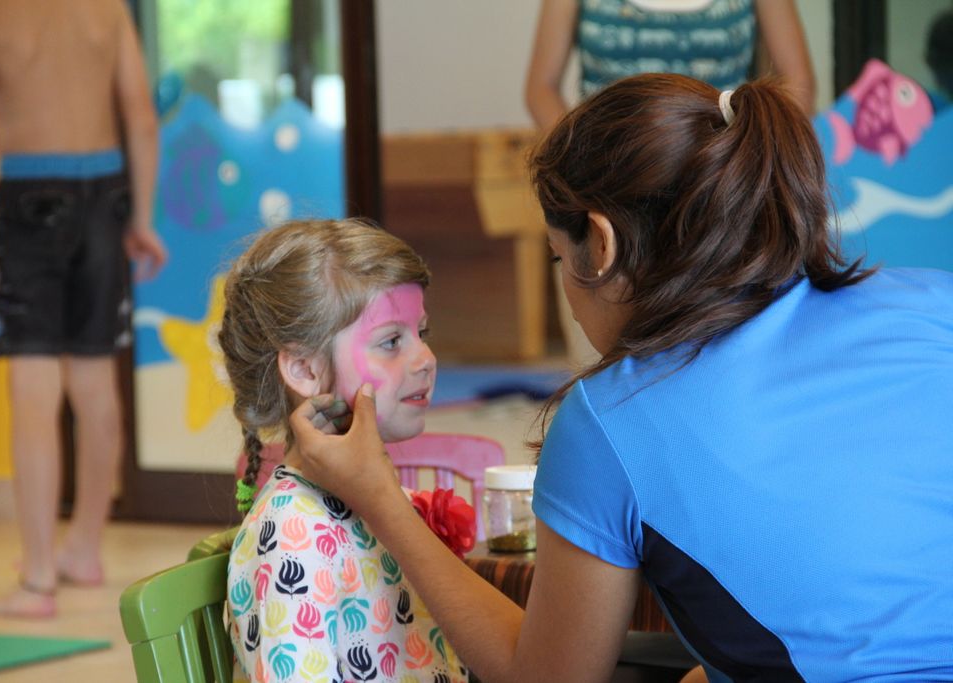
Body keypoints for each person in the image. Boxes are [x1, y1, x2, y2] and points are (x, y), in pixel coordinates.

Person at [291, 74, 953, 681]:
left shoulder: (611, 418)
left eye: (558, 256)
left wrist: (378, 494)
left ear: (600, 245)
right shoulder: (932, 300)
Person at [0, 0, 166, 618]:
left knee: (33, 392)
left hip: (29, 197)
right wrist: (141, 218)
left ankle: (37, 581)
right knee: (95, 382)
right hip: (106, 195)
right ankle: (83, 548)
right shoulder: (106, 6)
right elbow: (142, 118)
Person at [217, 219, 469, 683]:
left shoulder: (375, 496)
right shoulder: (294, 536)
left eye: (422, 334)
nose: (426, 359)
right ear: (305, 371)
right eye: (391, 341)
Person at [525, 0, 817, 367]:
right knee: (602, 370)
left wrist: (730, 169)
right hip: (609, 194)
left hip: (717, 197)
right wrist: (585, 163)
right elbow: (541, 88)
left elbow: (798, 84)